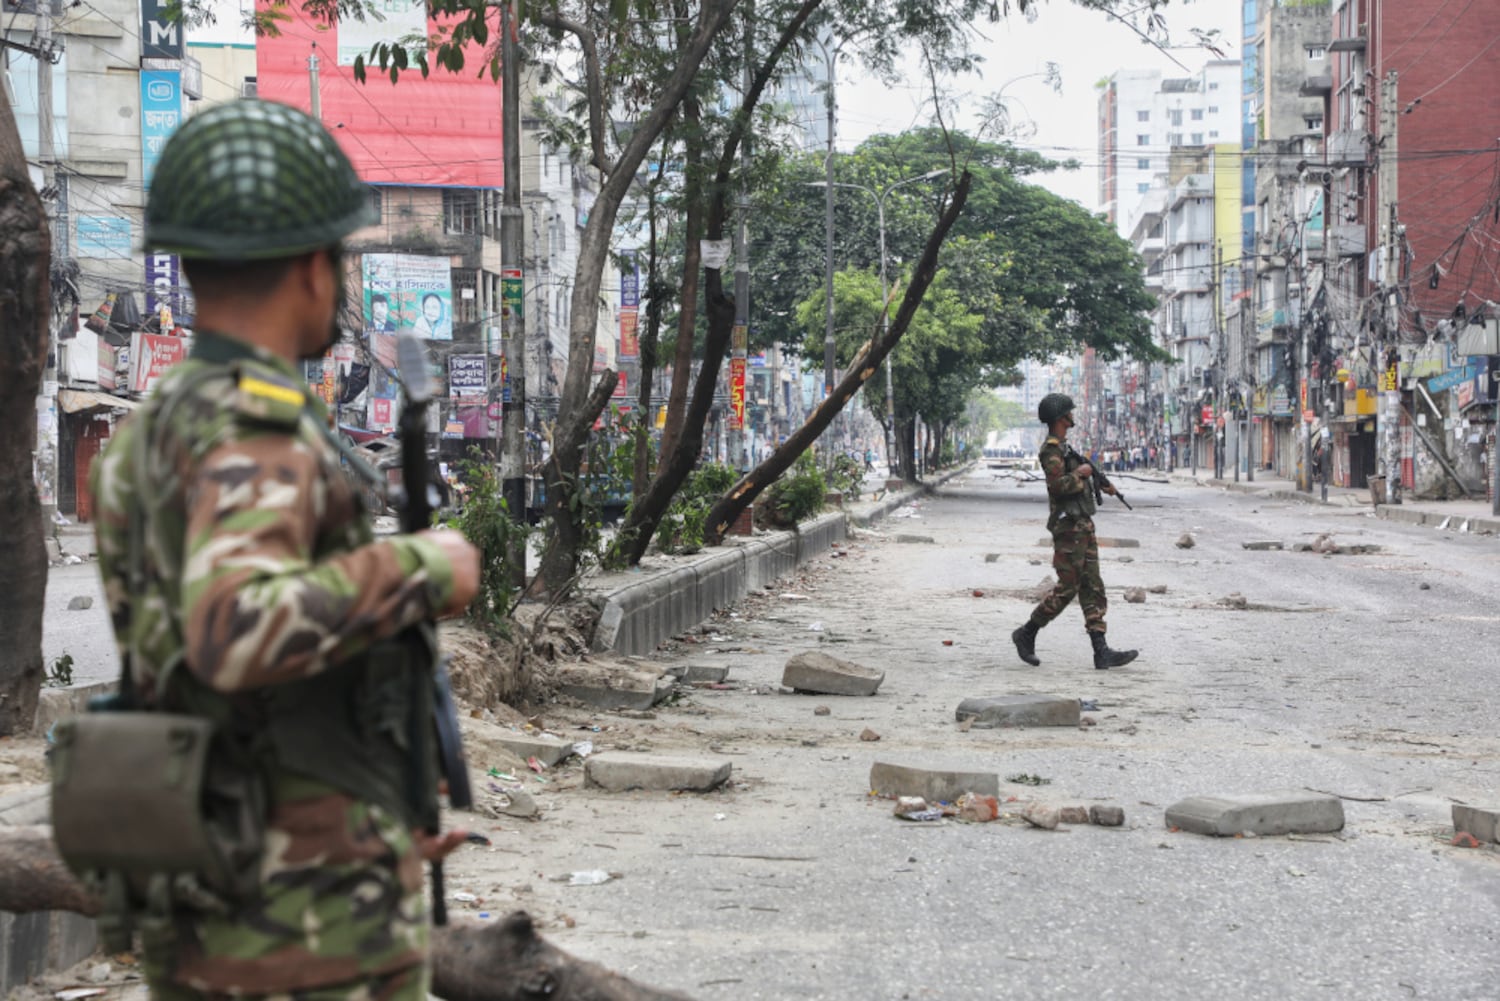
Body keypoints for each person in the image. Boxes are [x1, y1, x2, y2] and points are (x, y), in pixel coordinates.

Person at [87, 99, 480, 1000]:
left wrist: (374, 823)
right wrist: (427, 567)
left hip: (226, 881)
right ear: (313, 266)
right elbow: (236, 627)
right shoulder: (252, 425)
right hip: (300, 934)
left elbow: (231, 696)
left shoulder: (159, 428)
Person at [1011, 393, 1138, 671]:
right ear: (1060, 418)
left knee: (1093, 587)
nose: (1073, 415)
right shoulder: (1051, 450)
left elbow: (1080, 474)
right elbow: (1058, 486)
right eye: (1068, 412)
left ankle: (1101, 650)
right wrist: (1081, 475)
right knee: (1068, 588)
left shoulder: (1066, 449)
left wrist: (1098, 481)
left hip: (1083, 525)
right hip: (1068, 528)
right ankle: (1027, 632)